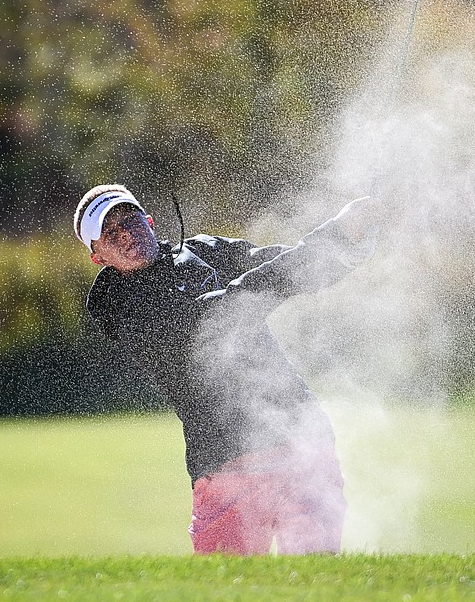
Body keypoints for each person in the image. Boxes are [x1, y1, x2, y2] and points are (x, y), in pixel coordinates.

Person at [73, 184, 376, 555]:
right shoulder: (123, 309)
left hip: (303, 443)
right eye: (109, 233)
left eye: (130, 219)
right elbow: (222, 313)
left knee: (317, 585)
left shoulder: (203, 251)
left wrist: (352, 237)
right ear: (98, 257)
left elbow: (288, 264)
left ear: (149, 221)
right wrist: (335, 232)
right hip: (225, 464)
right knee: (228, 597)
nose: (125, 233)